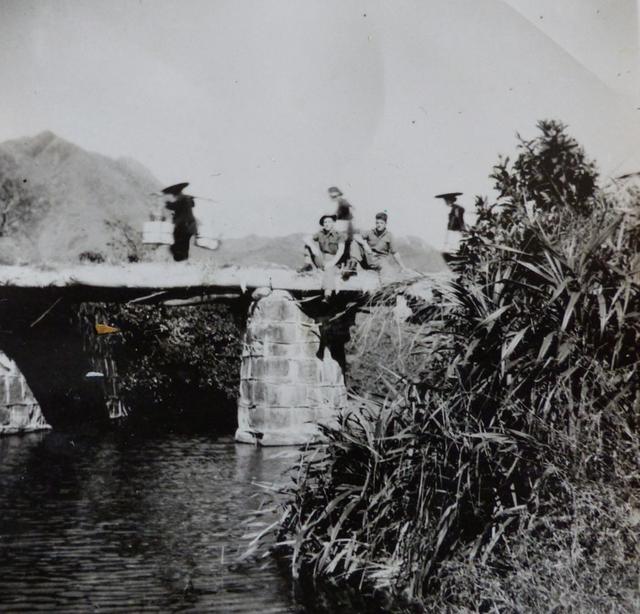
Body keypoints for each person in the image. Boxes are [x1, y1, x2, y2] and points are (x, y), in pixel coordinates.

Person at [303, 214, 346, 298]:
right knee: (307, 245)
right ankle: (307, 265)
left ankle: (327, 294)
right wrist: (312, 247)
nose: (326, 224)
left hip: (334, 259)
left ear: (333, 223)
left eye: (329, 222)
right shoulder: (320, 233)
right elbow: (305, 238)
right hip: (322, 258)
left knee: (329, 268)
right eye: (325, 222)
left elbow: (341, 251)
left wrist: (332, 263)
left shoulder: (339, 235)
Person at [163, 182, 197, 261]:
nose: (174, 197)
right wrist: (191, 198)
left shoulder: (182, 200)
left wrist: (165, 202)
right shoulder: (186, 199)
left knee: (178, 243)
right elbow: (192, 204)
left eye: (174, 195)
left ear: (177, 194)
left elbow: (172, 206)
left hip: (183, 226)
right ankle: (183, 260)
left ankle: (180, 259)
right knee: (184, 244)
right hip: (190, 226)